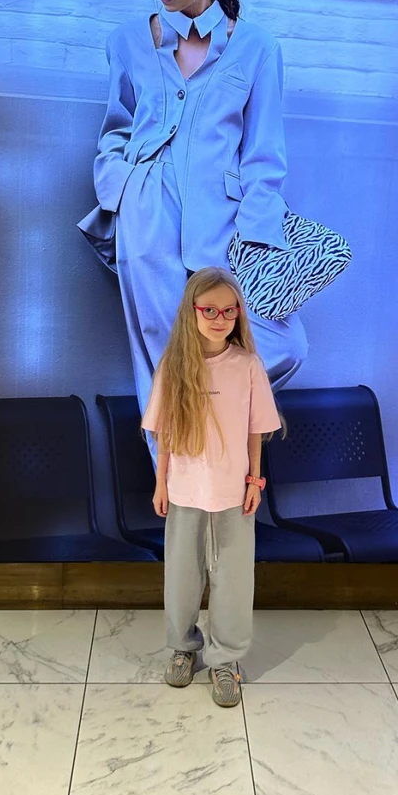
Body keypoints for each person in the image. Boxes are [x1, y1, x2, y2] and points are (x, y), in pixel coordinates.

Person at [77, 0, 307, 460]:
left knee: (283, 343)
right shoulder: (127, 41)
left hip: (224, 224)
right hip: (145, 214)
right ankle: (179, 495)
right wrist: (119, 189)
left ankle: (209, 457)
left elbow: (264, 156)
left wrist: (258, 240)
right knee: (161, 362)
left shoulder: (256, 48)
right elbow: (117, 127)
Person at [141, 267, 280, 707]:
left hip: (234, 495)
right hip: (184, 492)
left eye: (229, 311)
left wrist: (255, 479)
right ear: (192, 311)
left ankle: (226, 658)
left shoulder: (247, 366)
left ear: (239, 314)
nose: (220, 319)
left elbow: (256, 429)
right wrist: (161, 483)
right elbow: (164, 433)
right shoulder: (174, 367)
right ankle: (184, 648)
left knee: (233, 581)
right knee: (182, 577)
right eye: (210, 310)